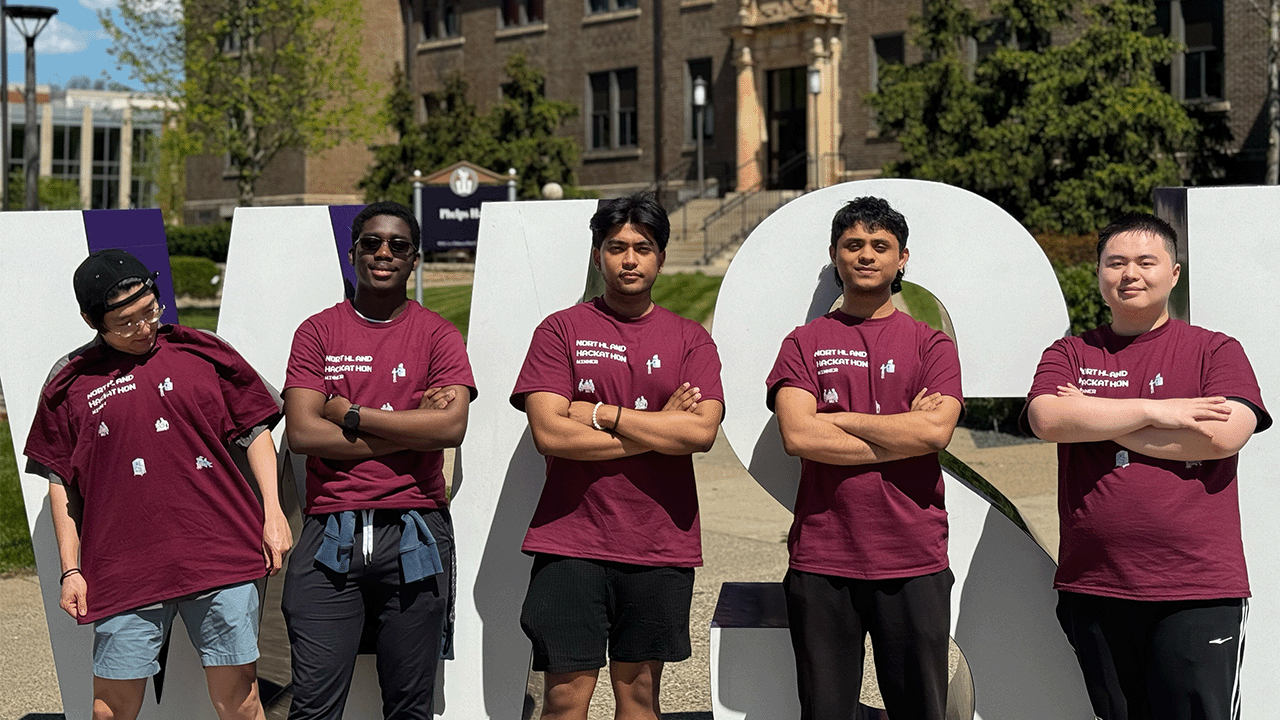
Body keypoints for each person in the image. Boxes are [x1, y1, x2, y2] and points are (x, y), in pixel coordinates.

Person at [24, 248, 290, 720]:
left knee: (241, 702)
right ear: (91, 320)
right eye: (126, 322)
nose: (144, 327)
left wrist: (273, 512)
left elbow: (257, 431)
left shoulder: (201, 350)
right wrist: (70, 569)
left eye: (150, 311)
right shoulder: (69, 382)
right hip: (124, 566)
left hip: (220, 551)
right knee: (110, 710)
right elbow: (61, 482)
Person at [1024, 213, 1268, 720]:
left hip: (1196, 589)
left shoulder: (1213, 350)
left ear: (1173, 273)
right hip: (1095, 584)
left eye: (1145, 262)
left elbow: (1225, 435)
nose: (1129, 273)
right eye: (1115, 263)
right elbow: (1048, 417)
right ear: (1098, 273)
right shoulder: (1071, 352)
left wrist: (1094, 416)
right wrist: (1161, 411)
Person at [510, 193, 724, 720]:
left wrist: (602, 414)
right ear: (597, 254)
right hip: (571, 541)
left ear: (661, 258)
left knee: (639, 697)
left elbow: (700, 433)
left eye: (643, 248)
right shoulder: (561, 330)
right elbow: (549, 434)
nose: (629, 259)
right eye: (617, 247)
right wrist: (658, 427)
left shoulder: (690, 338)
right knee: (564, 698)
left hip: (658, 543)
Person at [766, 196, 963, 720]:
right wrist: (903, 432)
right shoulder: (805, 342)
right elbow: (798, 436)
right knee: (826, 712)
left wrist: (836, 416)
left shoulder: (931, 345)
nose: (867, 255)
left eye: (881, 246)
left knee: (921, 709)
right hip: (825, 556)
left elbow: (936, 431)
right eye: (854, 245)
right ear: (835, 255)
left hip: (914, 556)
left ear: (903, 260)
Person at [281, 200, 475, 720]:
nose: (383, 253)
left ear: (415, 260)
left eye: (398, 246)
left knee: (409, 709)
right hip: (329, 534)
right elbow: (302, 432)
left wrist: (349, 413)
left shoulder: (438, 334)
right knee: (313, 707)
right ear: (353, 254)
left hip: (415, 530)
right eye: (371, 243)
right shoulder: (318, 332)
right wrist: (412, 429)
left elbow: (450, 427)